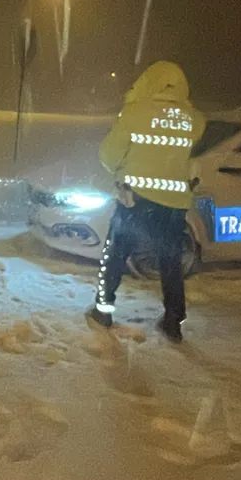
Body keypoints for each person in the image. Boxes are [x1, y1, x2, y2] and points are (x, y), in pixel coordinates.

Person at [87, 61, 204, 342]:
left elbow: (109, 155)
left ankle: (103, 311)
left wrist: (122, 171)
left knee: (115, 255)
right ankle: (173, 321)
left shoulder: (135, 112)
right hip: (174, 205)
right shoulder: (194, 119)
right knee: (171, 262)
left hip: (135, 201)